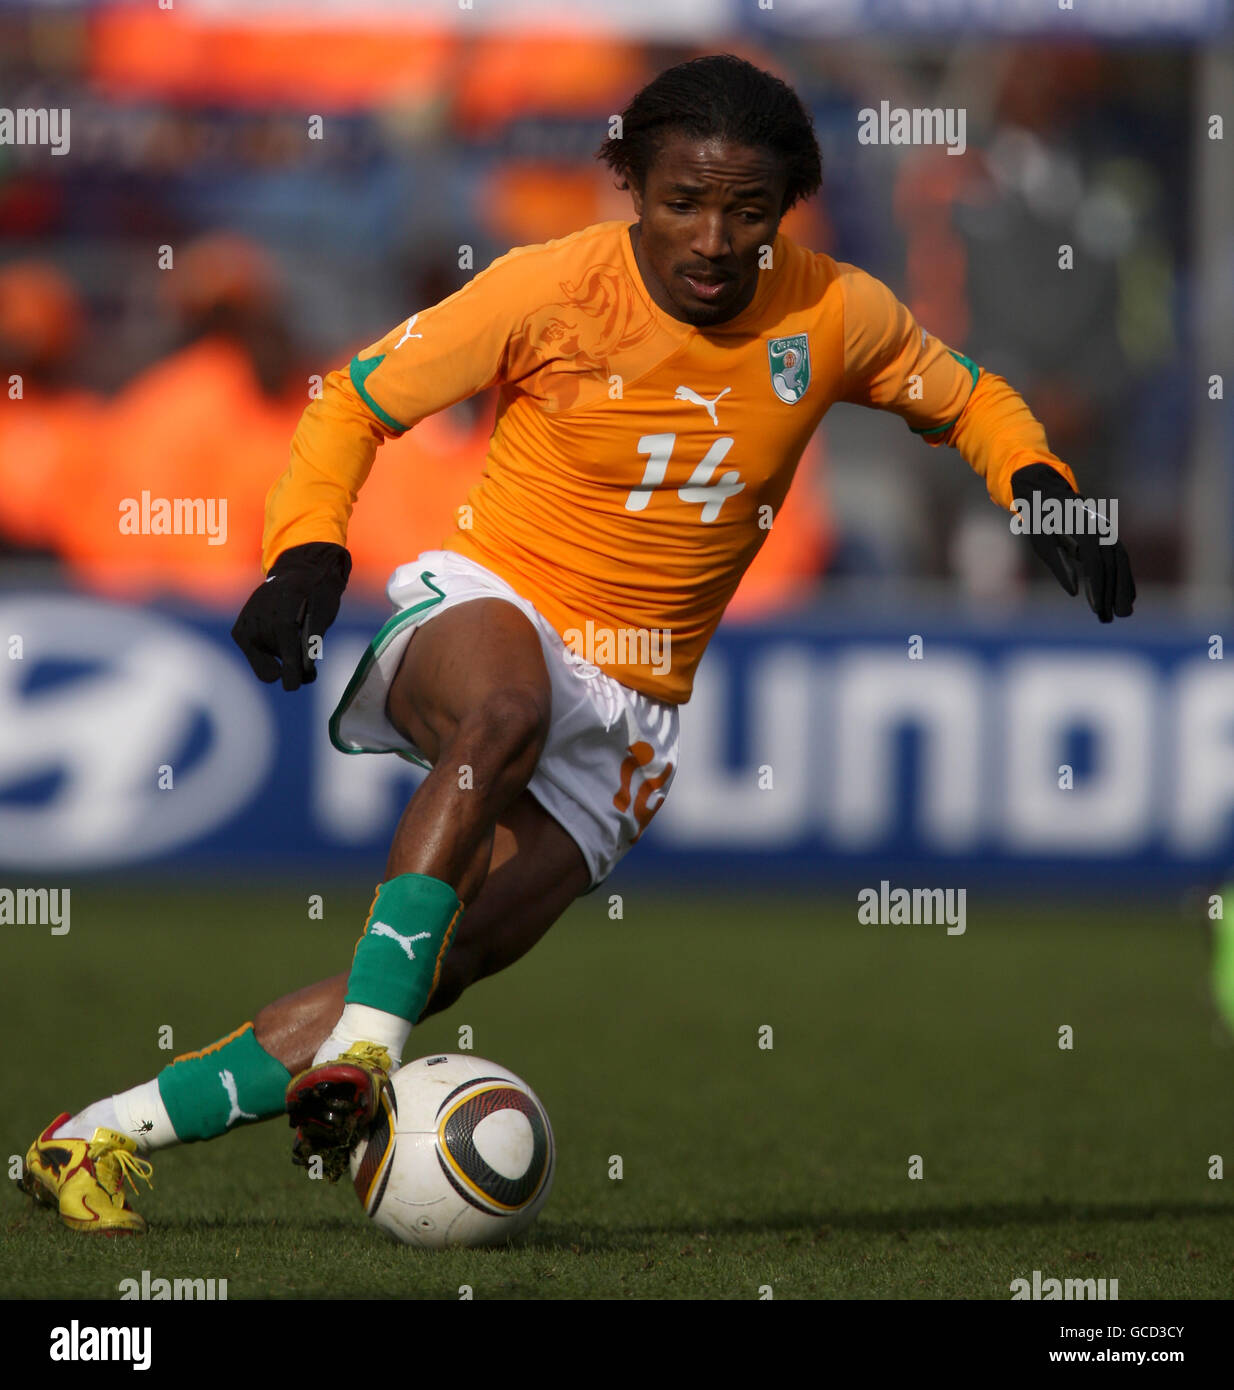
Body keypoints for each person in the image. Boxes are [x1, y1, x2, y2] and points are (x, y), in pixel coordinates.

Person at [20, 53, 1134, 1234]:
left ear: (786, 210)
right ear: (631, 192)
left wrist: (1041, 486)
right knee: (503, 715)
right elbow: (353, 400)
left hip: (635, 712)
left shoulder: (833, 311)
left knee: (430, 966)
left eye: (746, 212)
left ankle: (91, 1136)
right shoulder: (547, 289)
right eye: (681, 204)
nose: (712, 238)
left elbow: (964, 396)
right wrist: (306, 550)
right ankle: (366, 1046)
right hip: (499, 602)